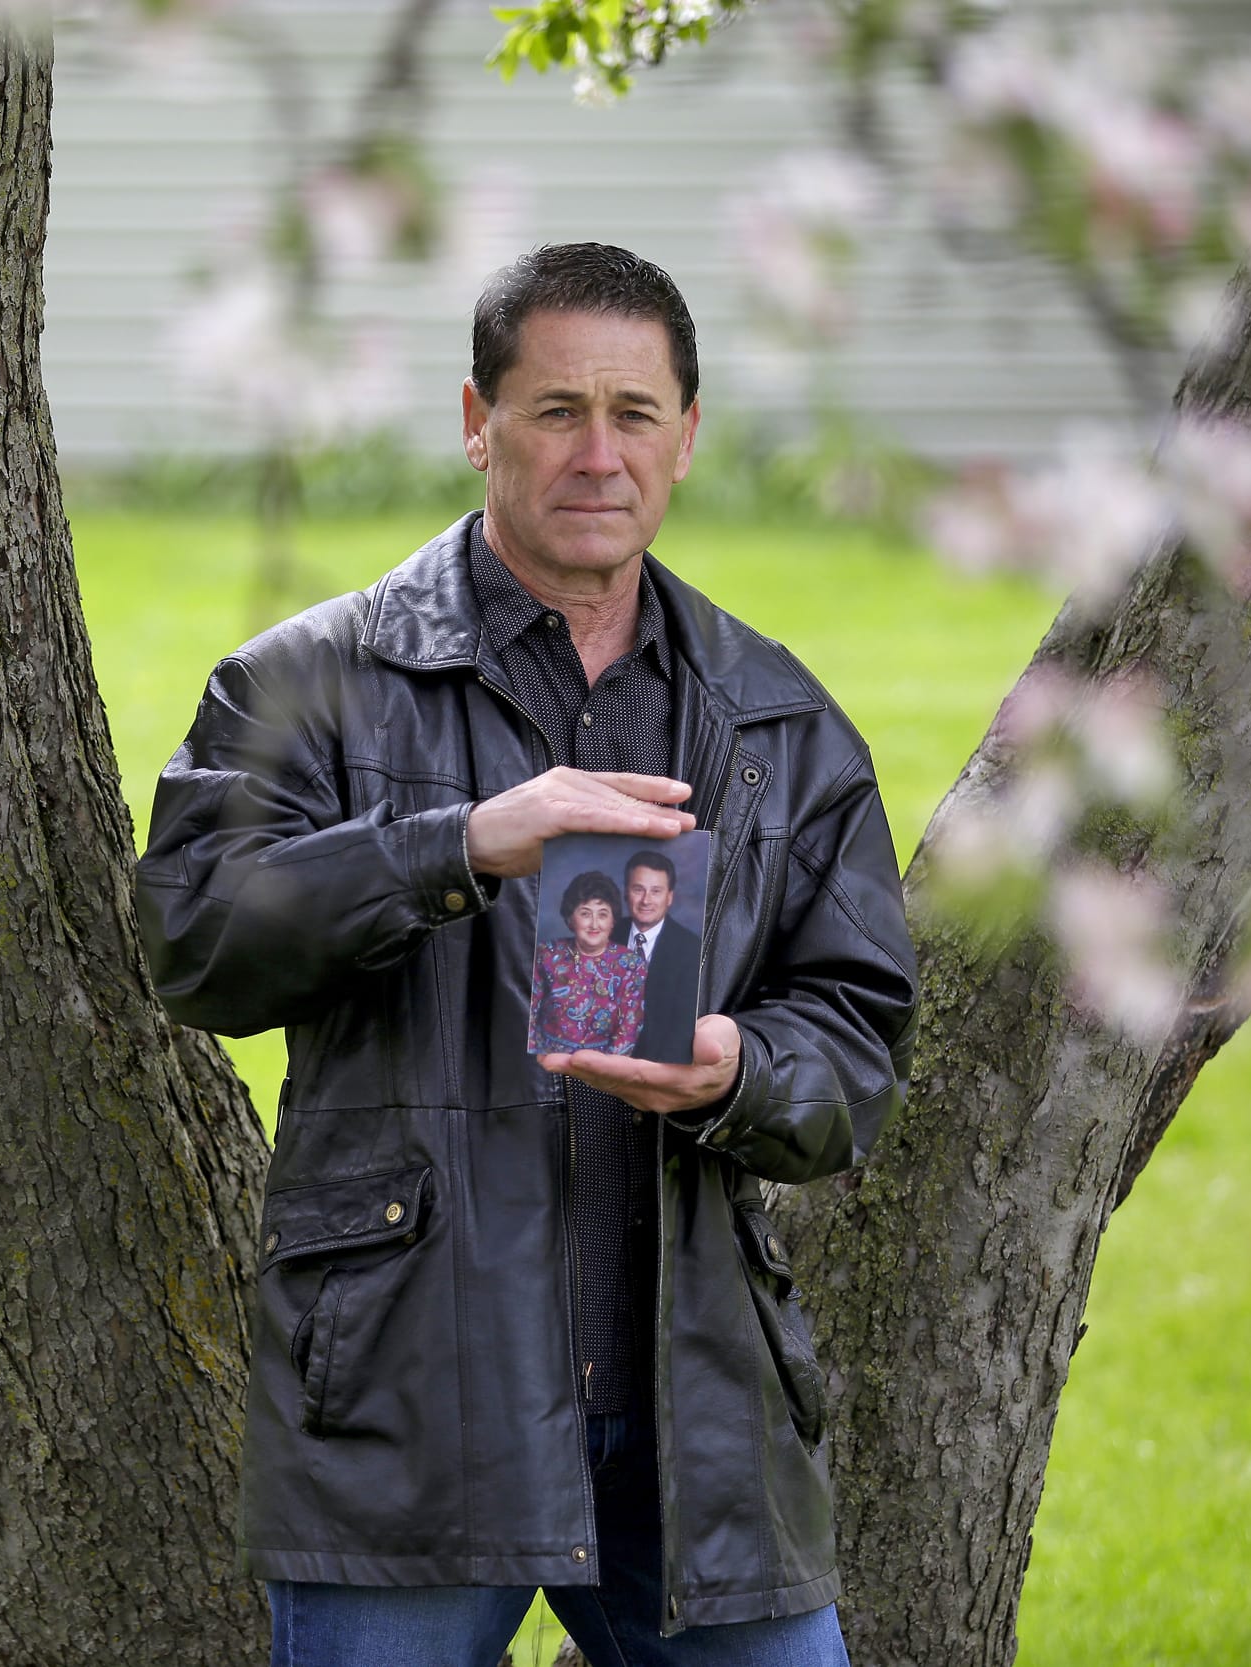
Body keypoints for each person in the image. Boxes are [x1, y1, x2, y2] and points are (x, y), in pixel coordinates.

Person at [134, 242, 918, 1667]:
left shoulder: (778, 719)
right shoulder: (303, 684)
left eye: (635, 412)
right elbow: (193, 943)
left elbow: (860, 1031)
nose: (598, 453)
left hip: (698, 1411)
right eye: (556, 409)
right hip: (415, 1390)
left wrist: (746, 1065)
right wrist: (456, 845)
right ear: (475, 420)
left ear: (689, 435)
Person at [529, 870, 650, 1056]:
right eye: (585, 914)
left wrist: (603, 1071)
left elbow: (629, 1028)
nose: (594, 924)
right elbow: (528, 1014)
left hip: (601, 1064)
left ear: (612, 921)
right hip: (546, 1058)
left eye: (602, 915)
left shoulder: (630, 965)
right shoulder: (546, 953)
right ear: (570, 919)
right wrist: (537, 1060)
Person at [620, 849, 703, 1065]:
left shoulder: (691, 949)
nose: (646, 900)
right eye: (638, 889)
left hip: (657, 1069)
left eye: (656, 891)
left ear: (669, 897)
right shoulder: (603, 935)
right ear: (626, 892)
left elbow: (680, 1034)